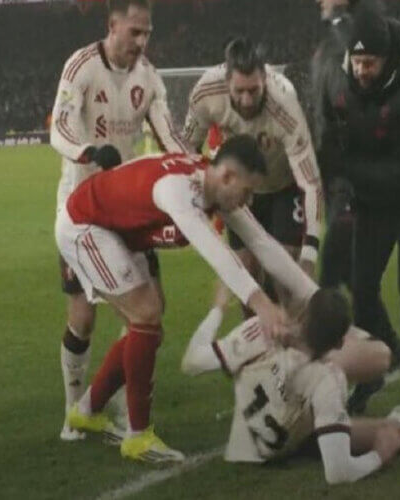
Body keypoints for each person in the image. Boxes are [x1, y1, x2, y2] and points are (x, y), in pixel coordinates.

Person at [58, 135, 297, 463]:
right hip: (85, 224)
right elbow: (216, 252)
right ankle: (137, 437)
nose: (249, 200)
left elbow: (263, 243)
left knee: (148, 325)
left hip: (117, 230)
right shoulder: (179, 190)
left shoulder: (212, 185)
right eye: (247, 191)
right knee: (146, 315)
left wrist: (311, 296)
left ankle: (87, 410)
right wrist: (263, 305)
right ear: (228, 177)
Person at [49, 0, 187, 441]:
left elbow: (169, 137)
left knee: (149, 313)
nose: (142, 42)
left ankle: (121, 407)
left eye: (147, 33)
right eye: (134, 32)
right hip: (82, 210)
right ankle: (74, 412)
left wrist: (195, 167)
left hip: (128, 209)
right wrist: (88, 152)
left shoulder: (149, 78)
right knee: (83, 319)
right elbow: (59, 127)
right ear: (112, 26)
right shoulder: (82, 66)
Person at [180, 283, 400, 484]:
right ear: (339, 344)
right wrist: (380, 455)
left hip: (267, 444)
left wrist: (218, 309)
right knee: (392, 433)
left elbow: (191, 361)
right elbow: (338, 473)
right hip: (298, 439)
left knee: (340, 427)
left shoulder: (258, 331)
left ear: (302, 315)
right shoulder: (327, 380)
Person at [315, 6, 400, 413]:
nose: (361, 70)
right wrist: (335, 172)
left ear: (387, 58)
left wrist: (349, 169)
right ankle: (371, 374)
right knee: (363, 287)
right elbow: (328, 138)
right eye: (356, 61)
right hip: (373, 198)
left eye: (369, 62)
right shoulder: (338, 78)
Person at [182, 37, 323, 312]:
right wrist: (202, 196)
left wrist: (310, 253)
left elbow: (310, 182)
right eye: (239, 91)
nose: (247, 100)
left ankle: (293, 337)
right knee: (246, 279)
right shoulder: (206, 93)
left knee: (288, 279)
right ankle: (257, 337)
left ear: (265, 81)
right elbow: (186, 149)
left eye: (254, 91)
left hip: (283, 188)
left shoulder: (285, 103)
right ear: (227, 82)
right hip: (240, 193)